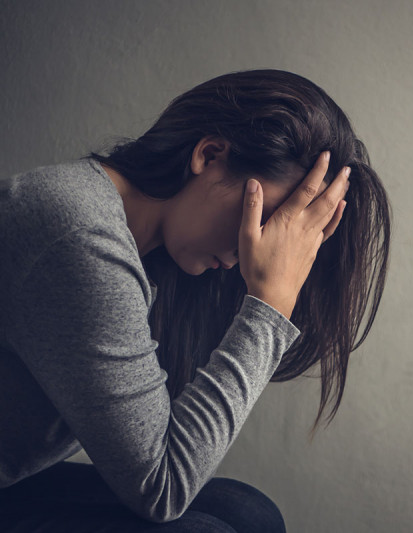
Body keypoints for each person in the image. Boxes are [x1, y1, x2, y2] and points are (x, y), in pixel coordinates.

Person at [0, 69, 391, 532]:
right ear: (209, 155)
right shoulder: (79, 233)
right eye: (266, 221)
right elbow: (162, 488)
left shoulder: (145, 254)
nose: (257, 250)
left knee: (248, 512)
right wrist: (270, 305)